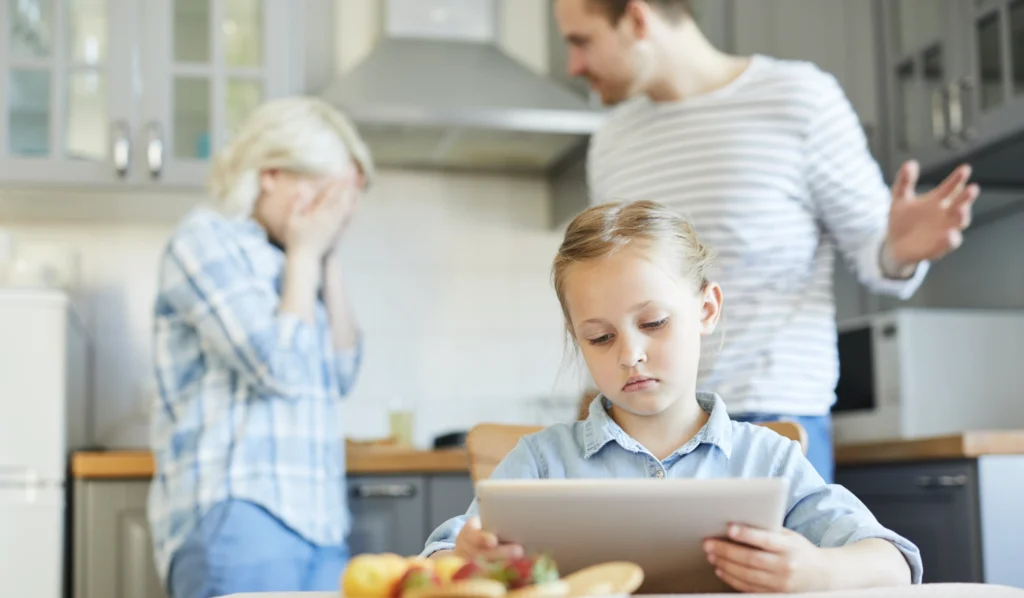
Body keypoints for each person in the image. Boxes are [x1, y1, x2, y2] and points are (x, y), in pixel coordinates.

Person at [553, 0, 980, 483]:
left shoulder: (799, 98)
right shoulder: (612, 141)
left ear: (636, 17)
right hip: (642, 424)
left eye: (580, 41)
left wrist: (898, 250)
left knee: (778, 560)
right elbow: (612, 288)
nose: (574, 67)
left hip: (771, 414)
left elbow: (873, 250)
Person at [421, 200, 922, 593]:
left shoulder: (766, 458)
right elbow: (435, 562)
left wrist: (816, 570)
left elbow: (894, 562)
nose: (630, 355)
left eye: (654, 323)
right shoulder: (540, 461)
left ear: (707, 310)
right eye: (600, 337)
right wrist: (465, 561)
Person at [147, 96, 374, 598]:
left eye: (342, 202)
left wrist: (327, 257)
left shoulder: (298, 259)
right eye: (322, 194)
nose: (331, 213)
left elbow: (342, 372)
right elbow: (277, 367)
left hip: (321, 524)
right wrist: (307, 253)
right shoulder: (206, 241)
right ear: (271, 173)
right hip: (242, 514)